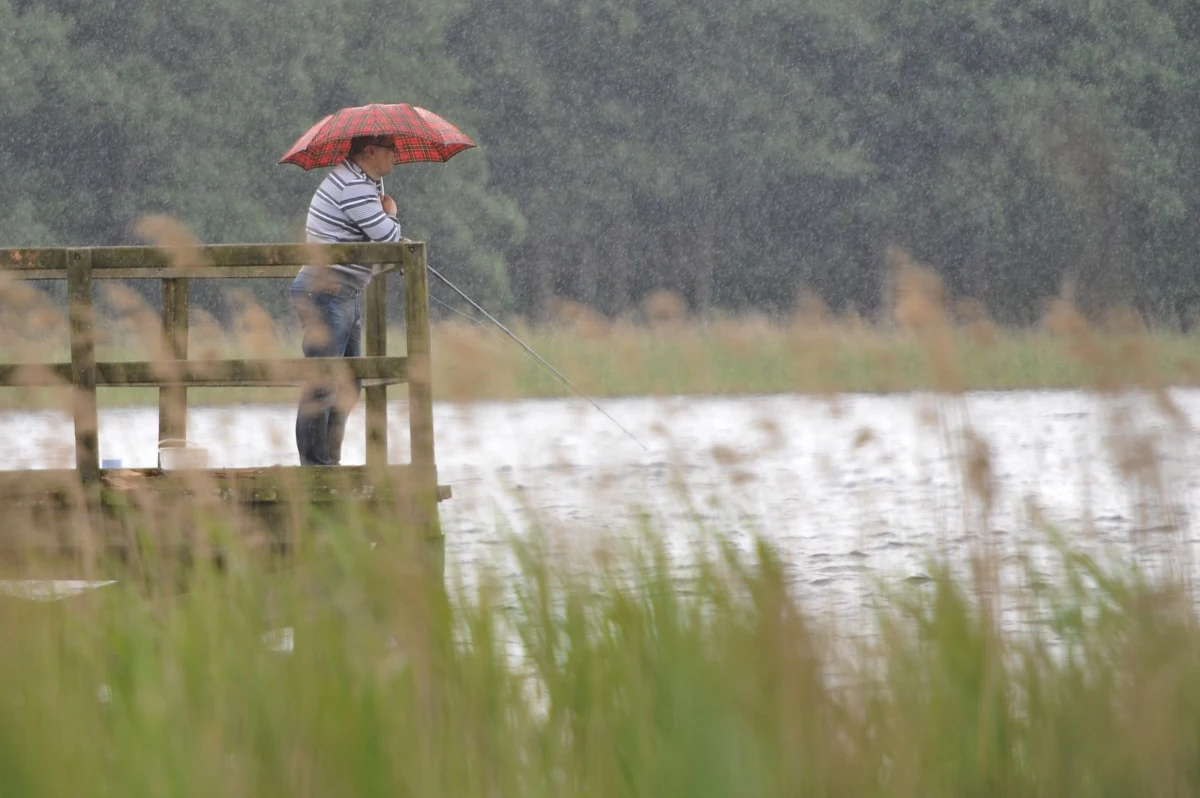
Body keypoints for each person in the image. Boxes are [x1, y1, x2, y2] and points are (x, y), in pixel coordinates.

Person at [289, 134, 403, 465]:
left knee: (349, 386)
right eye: (390, 149)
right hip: (325, 293)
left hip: (344, 293)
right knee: (323, 385)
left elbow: (376, 235)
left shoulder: (364, 184)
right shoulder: (353, 185)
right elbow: (387, 237)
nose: (395, 155)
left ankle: (328, 462)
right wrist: (391, 213)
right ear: (370, 151)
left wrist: (383, 212)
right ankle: (316, 469)